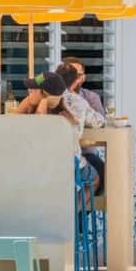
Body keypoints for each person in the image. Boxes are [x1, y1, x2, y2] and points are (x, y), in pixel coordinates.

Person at [55, 63, 106, 192]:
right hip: (71, 161)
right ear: (76, 80)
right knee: (96, 179)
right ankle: (75, 212)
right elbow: (99, 121)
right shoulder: (77, 101)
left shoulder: (45, 100)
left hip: (48, 161)